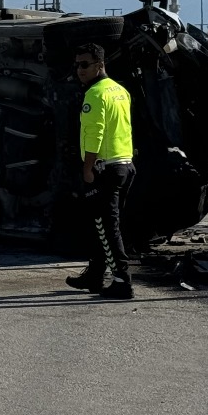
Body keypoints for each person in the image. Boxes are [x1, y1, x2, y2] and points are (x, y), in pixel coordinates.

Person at [66, 44, 136, 299]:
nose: (79, 70)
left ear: (100, 64)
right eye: (76, 65)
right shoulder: (120, 91)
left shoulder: (95, 94)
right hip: (125, 165)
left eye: (85, 64)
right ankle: (95, 275)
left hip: (104, 168)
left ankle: (122, 281)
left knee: (106, 226)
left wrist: (87, 169)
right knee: (105, 226)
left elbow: (94, 134)